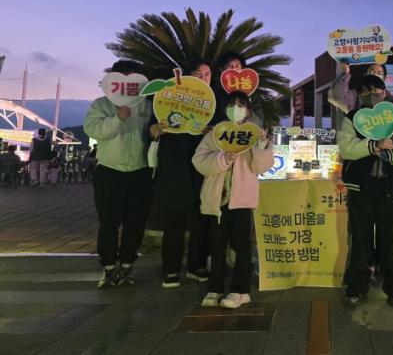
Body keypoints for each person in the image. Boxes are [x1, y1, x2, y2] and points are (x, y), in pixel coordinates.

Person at [338, 75, 393, 307]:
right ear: (358, 96)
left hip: (391, 188)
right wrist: (372, 146)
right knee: (359, 239)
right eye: (365, 92)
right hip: (360, 187)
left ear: (385, 92)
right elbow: (346, 148)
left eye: (376, 90)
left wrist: (391, 154)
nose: (371, 95)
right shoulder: (352, 119)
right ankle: (356, 286)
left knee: (392, 239)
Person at [193, 91, 273, 309]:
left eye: (241, 105)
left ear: (248, 110)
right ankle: (215, 288)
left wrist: (262, 145)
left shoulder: (253, 134)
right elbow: (199, 161)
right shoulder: (215, 133)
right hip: (217, 200)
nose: (236, 109)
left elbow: (261, 167)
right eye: (231, 104)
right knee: (217, 246)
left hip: (242, 200)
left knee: (241, 246)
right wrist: (222, 158)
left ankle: (241, 290)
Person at [84, 60, 154, 289]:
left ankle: (127, 264)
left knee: (136, 222)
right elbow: (93, 130)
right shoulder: (102, 104)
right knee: (108, 222)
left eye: (134, 78)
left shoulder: (148, 105)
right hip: (109, 172)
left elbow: (154, 134)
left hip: (140, 172)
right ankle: (108, 266)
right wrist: (116, 119)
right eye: (124, 78)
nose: (129, 84)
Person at [149, 61, 214, 289]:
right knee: (175, 218)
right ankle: (171, 268)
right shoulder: (168, 98)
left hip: (202, 169)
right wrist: (155, 130)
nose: (203, 78)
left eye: (207, 74)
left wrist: (212, 132)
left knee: (201, 218)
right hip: (174, 168)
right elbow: (152, 129)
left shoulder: (213, 104)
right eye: (199, 73)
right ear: (187, 76)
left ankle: (197, 265)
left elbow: (222, 136)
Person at [329, 63, 393, 120]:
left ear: (384, 78)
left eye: (379, 73)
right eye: (371, 72)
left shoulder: (390, 99)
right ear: (365, 75)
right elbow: (336, 98)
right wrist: (345, 73)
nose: (375, 75)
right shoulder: (356, 95)